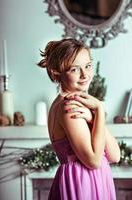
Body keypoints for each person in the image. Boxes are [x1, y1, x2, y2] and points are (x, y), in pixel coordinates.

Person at [38, 38, 120, 200]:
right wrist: (99, 109)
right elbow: (94, 161)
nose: (85, 75)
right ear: (56, 72)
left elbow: (115, 156)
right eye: (75, 69)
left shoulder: (75, 104)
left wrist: (94, 117)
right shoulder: (69, 107)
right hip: (82, 183)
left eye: (88, 66)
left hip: (91, 180)